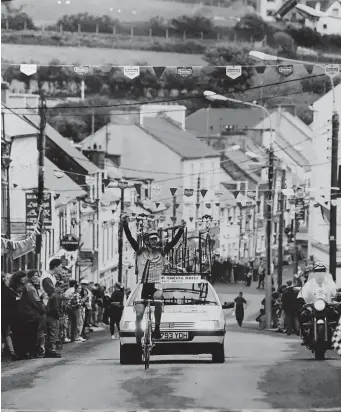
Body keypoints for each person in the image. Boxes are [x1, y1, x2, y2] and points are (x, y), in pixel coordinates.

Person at [122, 215, 186, 342]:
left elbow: (173, 243)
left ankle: (157, 328)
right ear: (146, 241)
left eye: (156, 239)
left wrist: (181, 229)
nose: (155, 241)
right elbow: (129, 238)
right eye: (152, 240)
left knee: (157, 300)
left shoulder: (161, 251)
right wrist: (125, 225)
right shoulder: (140, 251)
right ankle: (139, 330)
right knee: (139, 314)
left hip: (156, 284)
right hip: (143, 285)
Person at [297, 262, 337, 343]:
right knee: (301, 314)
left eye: (322, 270)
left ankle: (336, 334)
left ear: (325, 272)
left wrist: (337, 295)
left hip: (327, 306)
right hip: (312, 306)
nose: (320, 273)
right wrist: (301, 296)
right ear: (314, 272)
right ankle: (304, 333)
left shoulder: (329, 282)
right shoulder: (310, 283)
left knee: (337, 314)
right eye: (318, 270)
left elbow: (334, 290)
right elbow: (304, 291)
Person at [18, 271, 46, 358]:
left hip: (30, 312)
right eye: (35, 275)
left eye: (38, 276)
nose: (37, 278)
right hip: (30, 312)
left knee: (33, 332)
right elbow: (35, 300)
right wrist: (42, 309)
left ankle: (32, 351)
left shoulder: (31, 286)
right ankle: (31, 351)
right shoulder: (30, 287)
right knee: (32, 332)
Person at [45, 280, 64, 358]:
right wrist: (59, 315)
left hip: (49, 316)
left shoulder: (53, 295)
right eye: (61, 287)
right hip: (53, 317)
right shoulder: (56, 296)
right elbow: (56, 308)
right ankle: (52, 350)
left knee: (50, 333)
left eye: (64, 287)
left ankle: (49, 350)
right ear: (56, 287)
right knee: (53, 333)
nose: (62, 289)